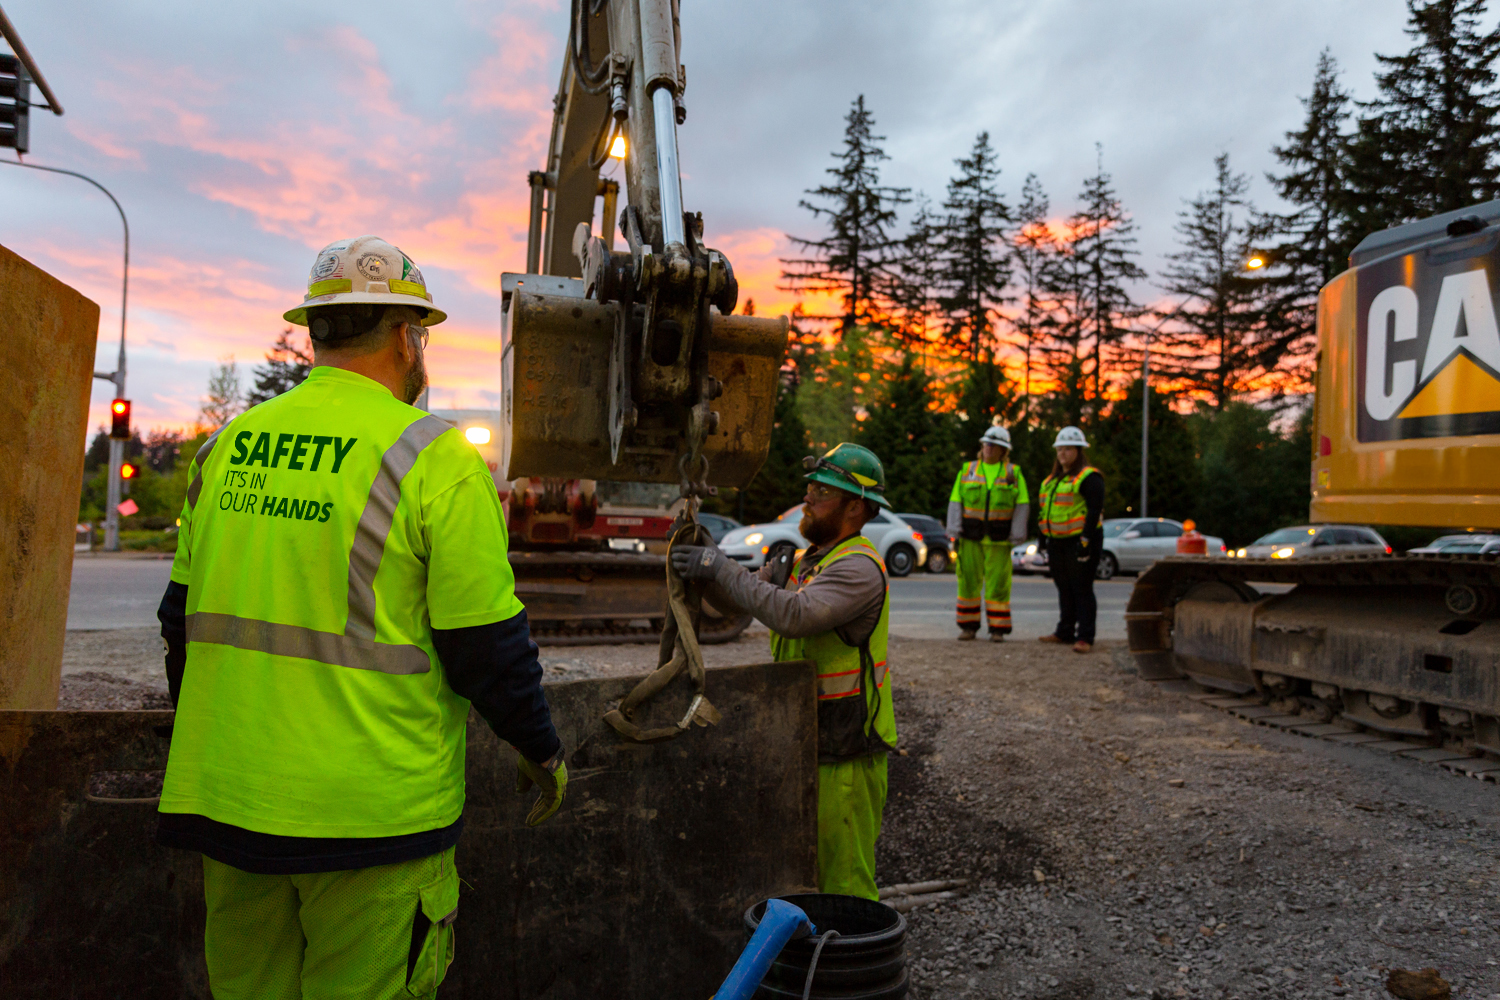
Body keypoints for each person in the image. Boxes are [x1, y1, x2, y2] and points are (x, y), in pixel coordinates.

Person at [155, 235, 566, 1000]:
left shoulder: (225, 449)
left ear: (316, 332)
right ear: (409, 337)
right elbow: (486, 647)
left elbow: (181, 624)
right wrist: (541, 748)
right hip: (371, 823)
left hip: (227, 808)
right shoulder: (434, 459)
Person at [670, 443, 895, 901]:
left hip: (847, 747)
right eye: (810, 487)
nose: (808, 498)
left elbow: (794, 615)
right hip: (811, 738)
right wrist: (713, 567)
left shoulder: (859, 567)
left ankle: (854, 965)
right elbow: (744, 602)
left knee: (845, 883)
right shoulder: (812, 560)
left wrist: (719, 566)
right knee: (808, 869)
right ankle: (819, 961)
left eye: (822, 491)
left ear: (856, 507)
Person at [946, 421, 1029, 641]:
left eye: (993, 445)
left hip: (1000, 540)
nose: (988, 448)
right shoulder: (968, 470)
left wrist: (1017, 535)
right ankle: (968, 627)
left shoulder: (1013, 473)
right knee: (967, 582)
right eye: (986, 444)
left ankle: (998, 630)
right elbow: (955, 501)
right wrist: (954, 530)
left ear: (1004, 450)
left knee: (999, 584)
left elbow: (1022, 505)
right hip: (970, 538)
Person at [1037, 426, 1105, 653]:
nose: (1062, 453)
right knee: (1063, 587)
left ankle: (1085, 636)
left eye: (1067, 449)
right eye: (1060, 449)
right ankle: (1064, 631)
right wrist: (1042, 540)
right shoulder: (1052, 480)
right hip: (1057, 542)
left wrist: (1086, 541)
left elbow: (1094, 510)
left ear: (1079, 450)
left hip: (1081, 541)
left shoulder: (1089, 477)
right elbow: (1044, 511)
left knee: (1082, 588)